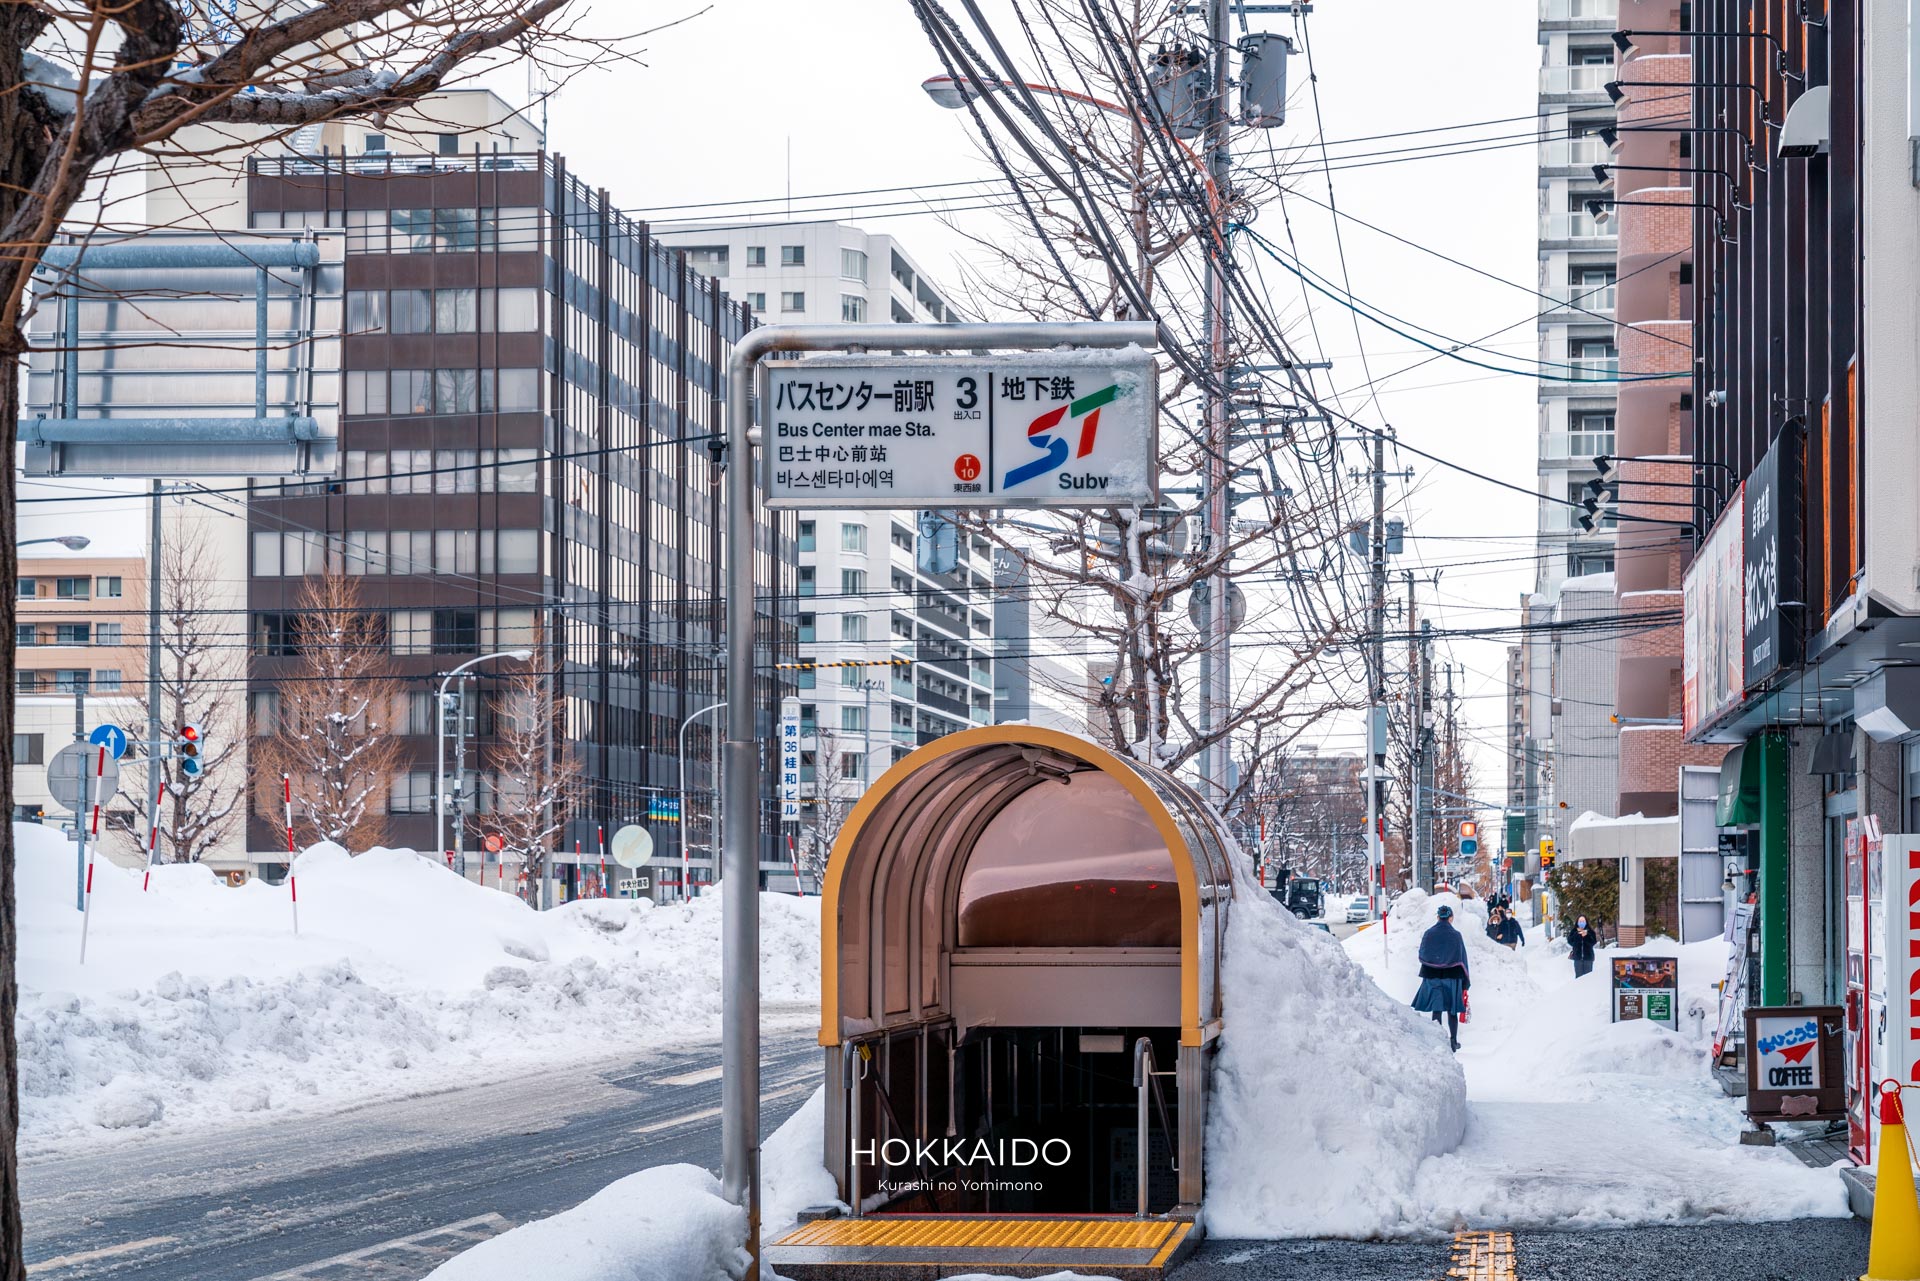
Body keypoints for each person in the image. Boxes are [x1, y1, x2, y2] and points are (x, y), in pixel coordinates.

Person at [1413, 904, 1471, 1051]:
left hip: (1432, 976)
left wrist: (1435, 962)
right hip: (1453, 977)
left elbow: (1422, 954)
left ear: (1438, 917)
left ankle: (1439, 1042)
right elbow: (1462, 958)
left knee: (1436, 1008)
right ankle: (1453, 1041)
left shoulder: (1429, 933)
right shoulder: (1456, 935)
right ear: (1451, 917)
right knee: (1452, 1010)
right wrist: (1465, 982)